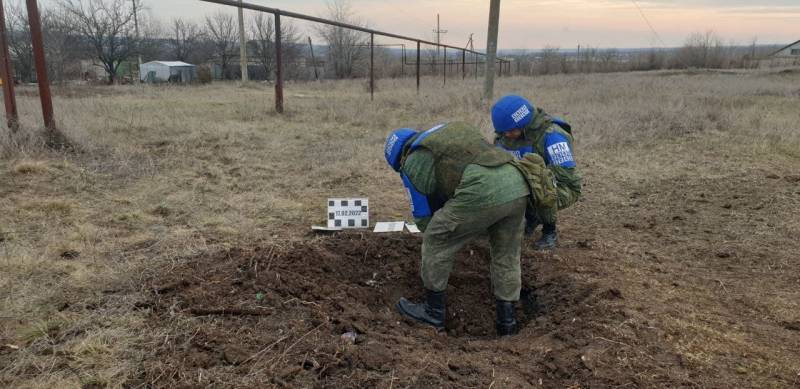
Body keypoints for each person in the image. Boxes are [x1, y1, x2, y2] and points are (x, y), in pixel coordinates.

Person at [384, 121, 538, 336]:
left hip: (483, 188)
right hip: (517, 183)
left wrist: (449, 238)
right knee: (506, 255)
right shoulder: (443, 133)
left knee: (436, 238)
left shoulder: (412, 160)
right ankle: (507, 323)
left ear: (398, 158)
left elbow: (423, 220)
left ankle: (433, 313)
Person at [491, 95, 583, 250]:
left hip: (560, 186)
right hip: (525, 182)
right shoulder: (504, 136)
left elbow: (565, 176)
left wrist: (531, 179)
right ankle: (531, 217)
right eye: (503, 132)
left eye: (510, 131)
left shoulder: (552, 135)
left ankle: (549, 231)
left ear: (522, 123)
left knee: (540, 185)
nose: (506, 135)